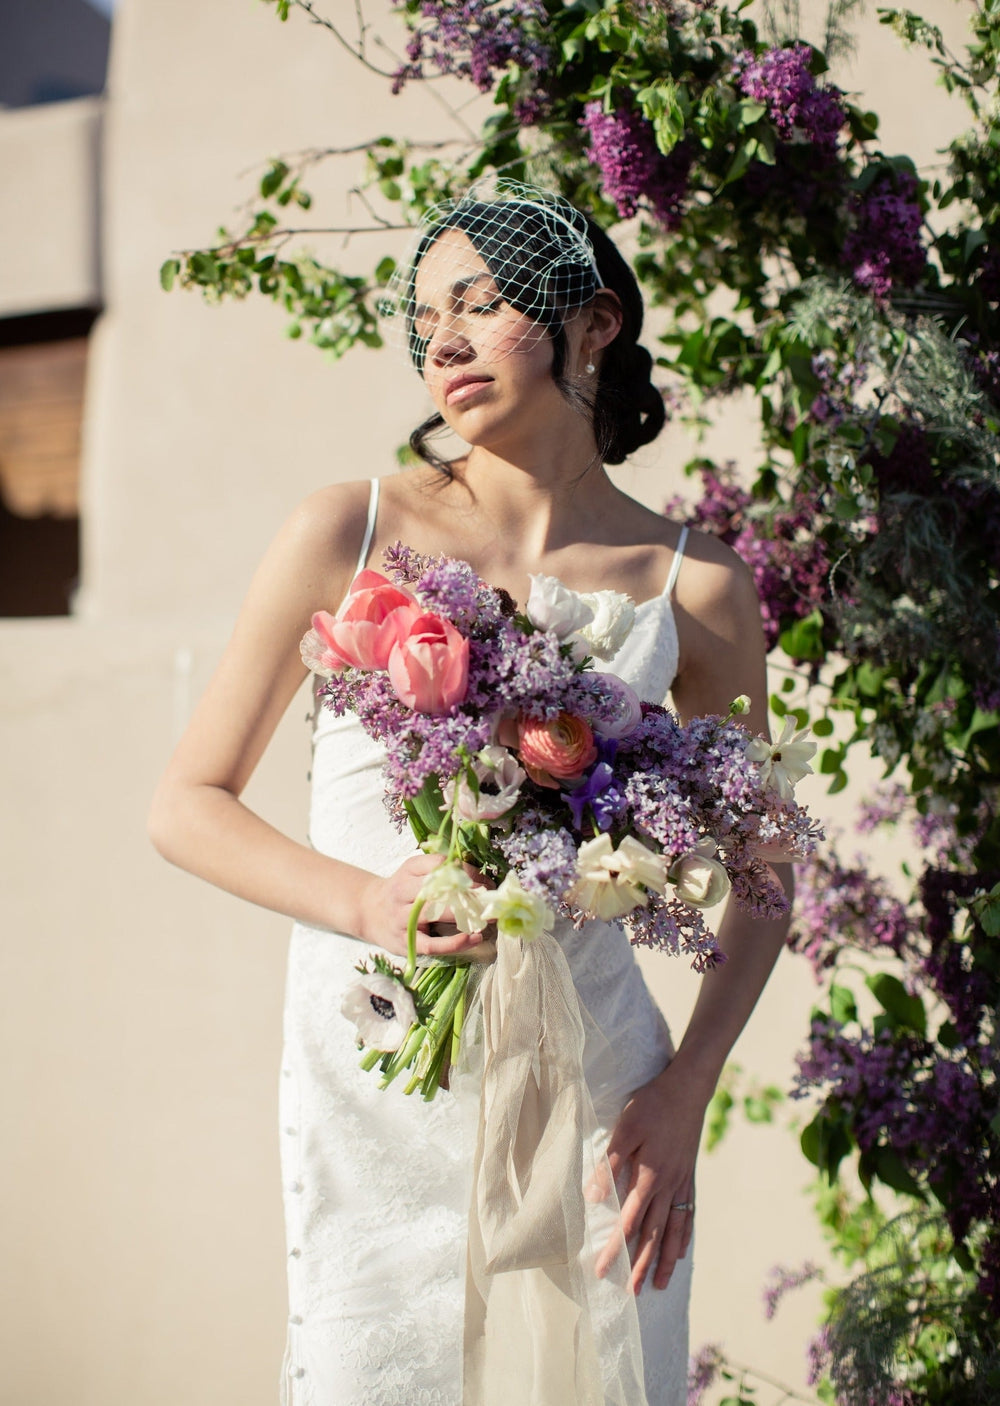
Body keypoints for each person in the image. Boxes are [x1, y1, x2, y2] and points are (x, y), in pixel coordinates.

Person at [148, 186, 792, 1406]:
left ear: (592, 322)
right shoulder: (352, 525)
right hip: (381, 1071)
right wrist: (367, 902)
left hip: (605, 1097)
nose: (438, 338)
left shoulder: (696, 587)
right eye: (424, 311)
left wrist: (686, 1089)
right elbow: (186, 801)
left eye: (479, 304)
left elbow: (763, 863)